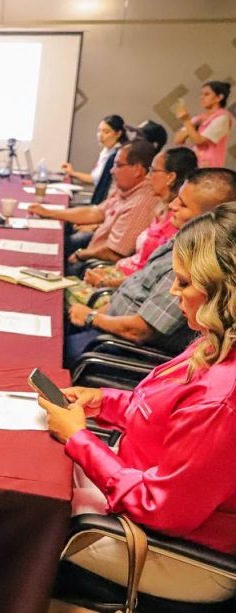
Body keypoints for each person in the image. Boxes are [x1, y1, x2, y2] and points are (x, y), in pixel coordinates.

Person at [41, 202, 236, 606]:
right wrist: (101, 402)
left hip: (170, 549)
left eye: (184, 283)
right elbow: (159, 409)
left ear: (224, 294)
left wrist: (79, 438)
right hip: (134, 493)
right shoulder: (216, 341)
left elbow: (160, 508)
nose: (172, 291)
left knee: (21, 521)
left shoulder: (225, 396)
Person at [64, 167, 236, 365]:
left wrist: (91, 317)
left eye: (183, 204)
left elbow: (141, 330)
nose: (172, 205)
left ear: (212, 219)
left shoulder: (194, 266)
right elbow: (137, 287)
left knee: (54, 351)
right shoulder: (179, 240)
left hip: (123, 348)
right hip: (108, 325)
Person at [65, 147, 197, 308]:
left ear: (170, 177)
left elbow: (149, 277)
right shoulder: (162, 209)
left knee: (63, 290)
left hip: (127, 286)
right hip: (121, 274)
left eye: (153, 171)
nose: (148, 177)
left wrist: (105, 282)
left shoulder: (176, 223)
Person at [32, 140, 161, 276]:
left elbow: (113, 252)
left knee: (51, 262)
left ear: (137, 170)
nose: (112, 170)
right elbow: (95, 212)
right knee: (55, 244)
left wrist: (81, 254)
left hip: (98, 265)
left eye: (118, 165)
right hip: (95, 247)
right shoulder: (131, 189)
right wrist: (49, 213)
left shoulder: (140, 203)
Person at [174, 80, 233, 168]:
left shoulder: (222, 118)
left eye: (206, 94)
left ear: (219, 97)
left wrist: (186, 120)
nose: (202, 97)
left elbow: (199, 141)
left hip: (209, 168)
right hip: (193, 166)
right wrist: (192, 125)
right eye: (201, 94)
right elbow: (177, 139)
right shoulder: (199, 118)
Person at [61, 114, 128, 187]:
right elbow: (94, 178)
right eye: (99, 131)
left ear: (118, 133)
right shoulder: (106, 150)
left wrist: (73, 173)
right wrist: (72, 173)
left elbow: (94, 179)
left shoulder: (118, 155)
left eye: (106, 132)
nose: (100, 135)